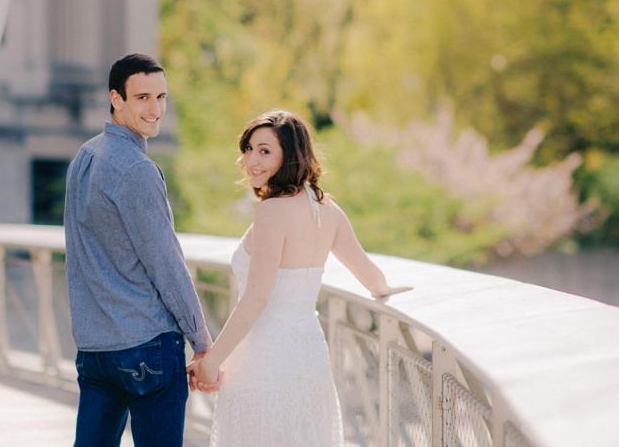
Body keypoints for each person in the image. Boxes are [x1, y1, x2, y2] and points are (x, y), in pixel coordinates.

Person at [187, 109, 411, 446]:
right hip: (308, 356)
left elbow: (257, 298)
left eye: (265, 151)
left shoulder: (272, 211)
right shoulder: (328, 210)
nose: (251, 161)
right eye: (248, 149)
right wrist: (387, 290)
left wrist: (212, 361)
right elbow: (372, 278)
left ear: (289, 156)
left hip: (263, 357)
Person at [64, 53, 213, 447]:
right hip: (146, 346)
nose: (156, 109)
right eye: (143, 97)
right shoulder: (137, 170)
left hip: (96, 349)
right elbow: (166, 263)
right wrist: (201, 341)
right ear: (116, 98)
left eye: (161, 97)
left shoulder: (85, 156)